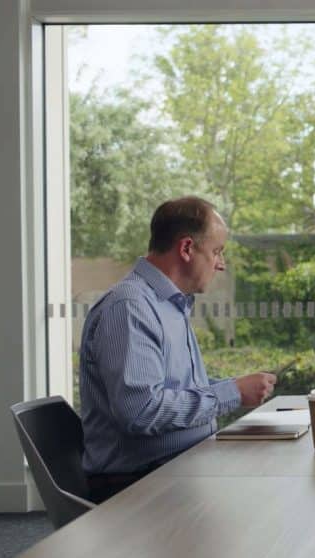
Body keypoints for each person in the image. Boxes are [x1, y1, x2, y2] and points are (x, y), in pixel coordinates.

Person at [79, 196, 276, 502]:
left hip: (179, 466)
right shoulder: (129, 308)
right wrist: (232, 393)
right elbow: (141, 411)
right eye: (216, 252)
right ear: (186, 249)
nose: (220, 264)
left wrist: (233, 387)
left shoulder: (170, 305)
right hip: (137, 485)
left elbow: (178, 390)